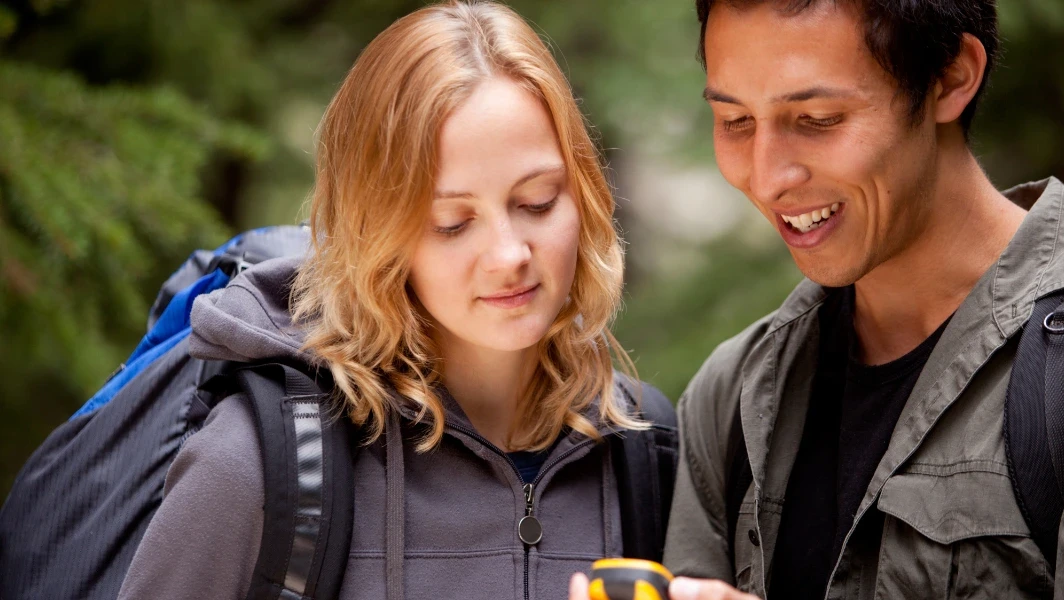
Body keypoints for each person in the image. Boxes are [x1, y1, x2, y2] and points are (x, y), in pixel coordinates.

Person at [607, 1, 1064, 599]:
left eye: (817, 118)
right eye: (735, 122)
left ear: (951, 76)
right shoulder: (736, 394)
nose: (767, 176)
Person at [116, 2, 676, 599]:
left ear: (585, 192)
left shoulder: (643, 448)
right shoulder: (258, 467)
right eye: (452, 223)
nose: (509, 254)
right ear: (377, 237)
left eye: (537, 201)